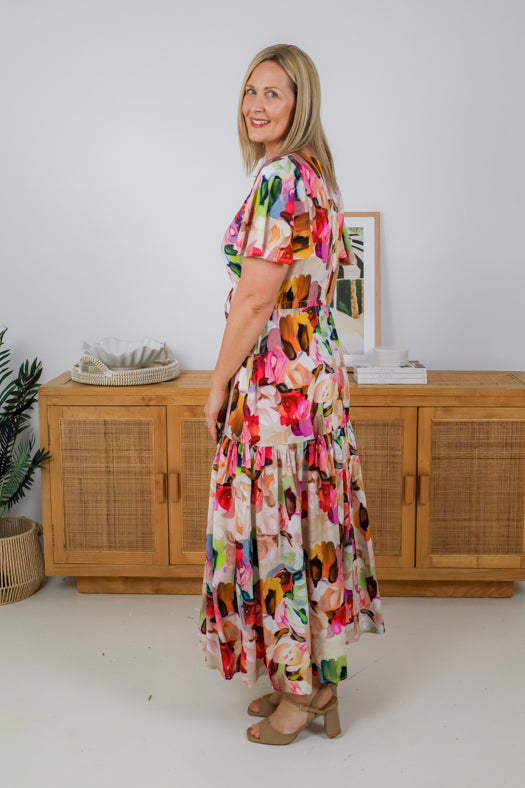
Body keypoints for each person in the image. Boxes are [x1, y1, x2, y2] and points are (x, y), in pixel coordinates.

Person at [198, 43, 386, 745]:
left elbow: (254, 300)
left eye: (272, 93)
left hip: (279, 390)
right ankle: (314, 676)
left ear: (299, 101)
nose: (255, 105)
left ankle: (301, 694)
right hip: (317, 384)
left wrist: (217, 383)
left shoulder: (281, 178)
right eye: (249, 91)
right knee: (311, 530)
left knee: (281, 537)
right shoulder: (316, 176)